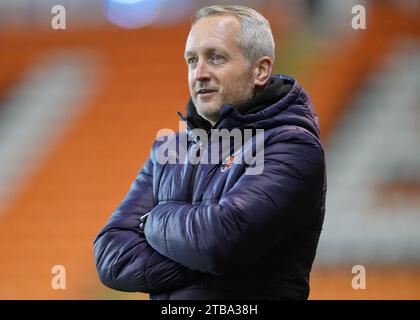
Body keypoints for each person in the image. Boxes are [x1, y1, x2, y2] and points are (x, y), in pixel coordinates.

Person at [94, 5, 326, 300]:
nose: (199, 74)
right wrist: (207, 260)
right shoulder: (169, 149)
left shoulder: (292, 146)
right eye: (192, 60)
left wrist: (153, 220)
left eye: (216, 58)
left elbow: (221, 241)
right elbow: (111, 256)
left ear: (261, 70)